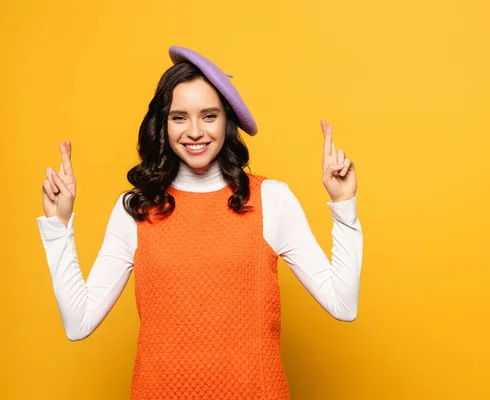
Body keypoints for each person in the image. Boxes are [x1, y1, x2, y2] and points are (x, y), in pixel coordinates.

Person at [37, 46, 363, 399]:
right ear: (162, 123)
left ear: (228, 120)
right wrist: (59, 224)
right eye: (179, 117)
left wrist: (343, 205)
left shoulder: (272, 199)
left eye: (208, 115)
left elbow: (343, 305)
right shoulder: (136, 207)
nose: (194, 131)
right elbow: (78, 322)